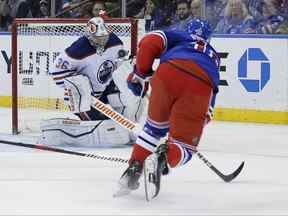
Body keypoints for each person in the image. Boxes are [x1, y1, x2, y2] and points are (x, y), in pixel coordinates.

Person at [114, 18, 220, 198]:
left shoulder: (180, 35)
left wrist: (141, 73)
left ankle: (133, 170)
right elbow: (210, 102)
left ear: (188, 29)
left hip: (167, 73)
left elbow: (149, 42)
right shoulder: (213, 57)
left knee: (152, 130)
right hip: (201, 83)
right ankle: (163, 157)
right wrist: (195, 121)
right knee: (184, 146)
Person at [40, 17, 144, 148]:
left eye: (104, 37)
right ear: (89, 36)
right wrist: (80, 86)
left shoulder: (115, 42)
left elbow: (119, 65)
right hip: (85, 98)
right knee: (105, 129)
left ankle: (130, 131)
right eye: (98, 38)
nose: (102, 40)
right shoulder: (76, 50)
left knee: (129, 102)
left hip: (105, 87)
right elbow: (56, 74)